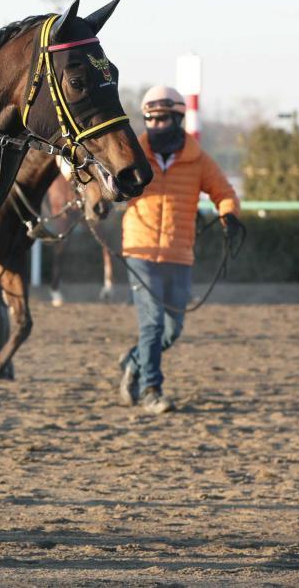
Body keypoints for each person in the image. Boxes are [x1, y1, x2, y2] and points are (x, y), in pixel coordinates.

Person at [118, 86, 241, 414]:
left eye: (163, 119)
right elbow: (109, 186)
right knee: (152, 324)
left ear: (178, 119)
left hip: (179, 253)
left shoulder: (198, 159)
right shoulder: (132, 155)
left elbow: (224, 192)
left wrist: (229, 214)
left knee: (172, 330)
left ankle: (133, 361)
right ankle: (151, 391)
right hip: (140, 251)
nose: (156, 125)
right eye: (150, 119)